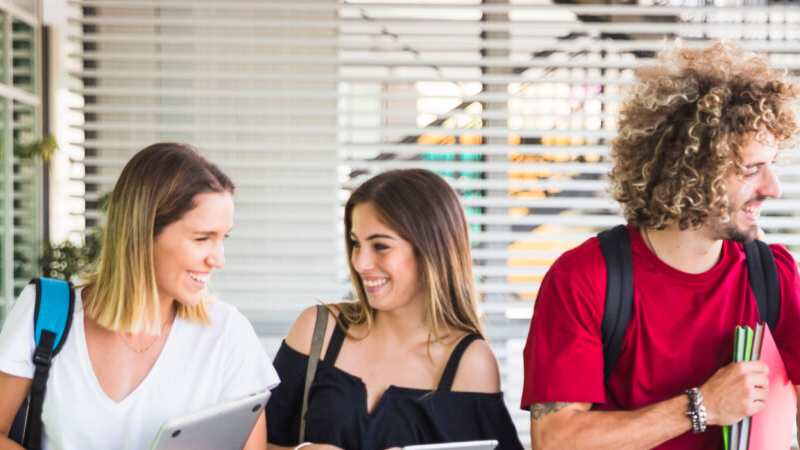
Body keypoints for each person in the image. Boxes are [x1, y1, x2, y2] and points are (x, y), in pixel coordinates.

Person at [521, 40, 800, 449]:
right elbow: (555, 439)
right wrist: (702, 406)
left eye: (771, 166)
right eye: (750, 169)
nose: (773, 188)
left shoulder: (775, 276)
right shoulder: (583, 279)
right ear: (689, 169)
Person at [0, 143, 279, 449]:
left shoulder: (228, 335)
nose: (219, 259)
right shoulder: (45, 312)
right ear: (144, 233)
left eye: (223, 238)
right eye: (202, 238)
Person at [266, 169, 523, 449]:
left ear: (430, 250)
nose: (360, 263)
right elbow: (249, 442)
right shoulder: (318, 329)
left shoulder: (471, 362)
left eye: (380, 246)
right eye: (356, 243)